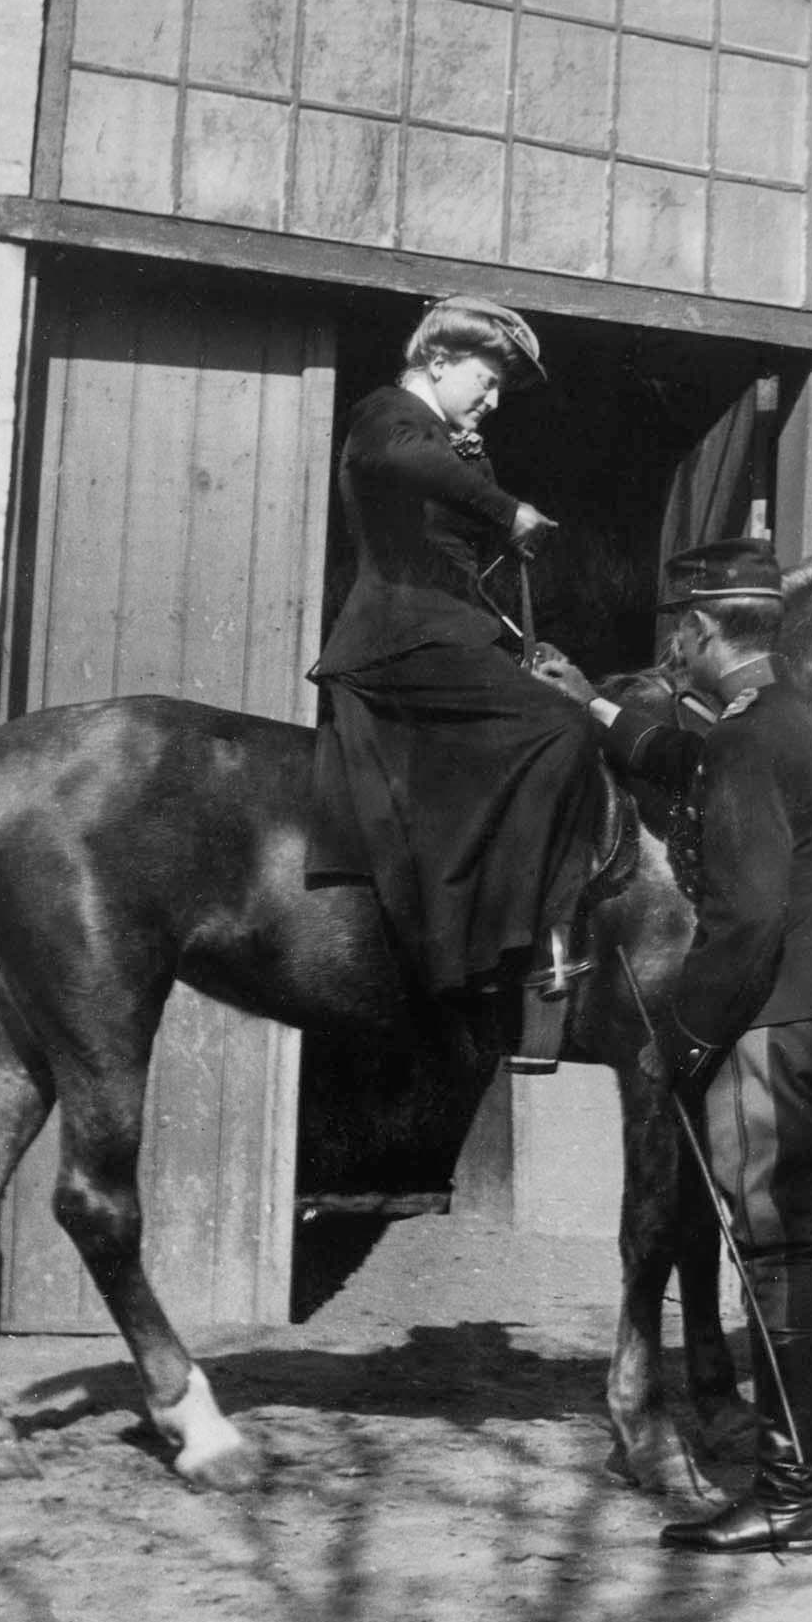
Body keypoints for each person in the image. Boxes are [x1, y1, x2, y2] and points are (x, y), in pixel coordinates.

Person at [538, 539, 812, 1555]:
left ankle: (785, 1495)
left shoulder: (742, 739)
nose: (670, 650)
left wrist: (680, 1042)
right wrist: (593, 706)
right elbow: (693, 764)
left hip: (768, 1020)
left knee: (772, 1255)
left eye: (675, 634)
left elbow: (745, 923)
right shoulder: (801, 723)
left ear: (697, 630)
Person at [306, 295, 600, 1072]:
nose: (493, 400)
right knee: (562, 726)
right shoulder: (387, 414)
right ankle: (523, 938)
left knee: (549, 706)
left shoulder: (443, 441)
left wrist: (515, 638)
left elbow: (452, 558)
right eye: (486, 379)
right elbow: (407, 460)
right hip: (401, 641)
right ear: (437, 361)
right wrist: (507, 509)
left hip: (443, 634)